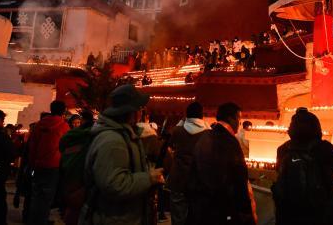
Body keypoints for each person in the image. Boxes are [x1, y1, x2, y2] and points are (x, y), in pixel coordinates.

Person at [80, 84, 164, 225]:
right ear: (130, 112)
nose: (141, 112)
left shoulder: (124, 135)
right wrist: (149, 178)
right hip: (113, 219)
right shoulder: (112, 141)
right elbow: (114, 185)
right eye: (139, 108)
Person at [188, 102, 256, 225]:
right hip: (222, 206)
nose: (239, 123)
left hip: (202, 204)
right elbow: (239, 178)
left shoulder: (205, 136)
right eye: (238, 119)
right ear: (231, 119)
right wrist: (246, 212)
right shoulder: (229, 141)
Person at [273, 108, 333, 225]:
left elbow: (278, 171)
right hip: (317, 210)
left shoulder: (283, 149)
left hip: (288, 209)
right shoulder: (324, 148)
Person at [28, 100, 70, 225]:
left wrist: (32, 163)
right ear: (63, 111)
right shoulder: (64, 126)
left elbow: (32, 146)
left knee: (36, 195)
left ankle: (33, 220)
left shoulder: (39, 125)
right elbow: (66, 147)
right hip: (54, 165)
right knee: (47, 197)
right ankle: (42, 220)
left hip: (38, 165)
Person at [167, 102, 208, 225]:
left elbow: (169, 145)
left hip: (178, 179)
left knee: (178, 217)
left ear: (187, 115)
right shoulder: (208, 133)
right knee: (197, 217)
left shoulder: (177, 130)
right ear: (201, 115)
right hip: (199, 180)